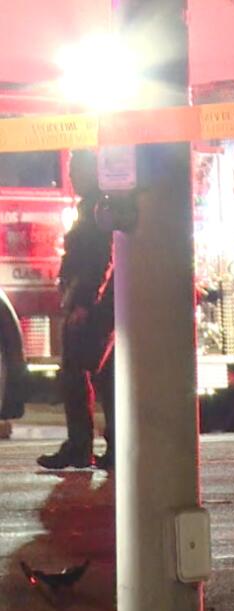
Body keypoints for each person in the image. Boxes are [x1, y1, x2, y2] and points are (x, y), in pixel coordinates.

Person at [38, 150, 115, 470]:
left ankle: (82, 446)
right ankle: (106, 447)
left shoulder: (98, 210)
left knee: (77, 373)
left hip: (92, 307)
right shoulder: (94, 207)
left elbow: (100, 261)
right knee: (101, 376)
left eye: (76, 170)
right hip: (93, 304)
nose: (71, 176)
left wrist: (83, 303)